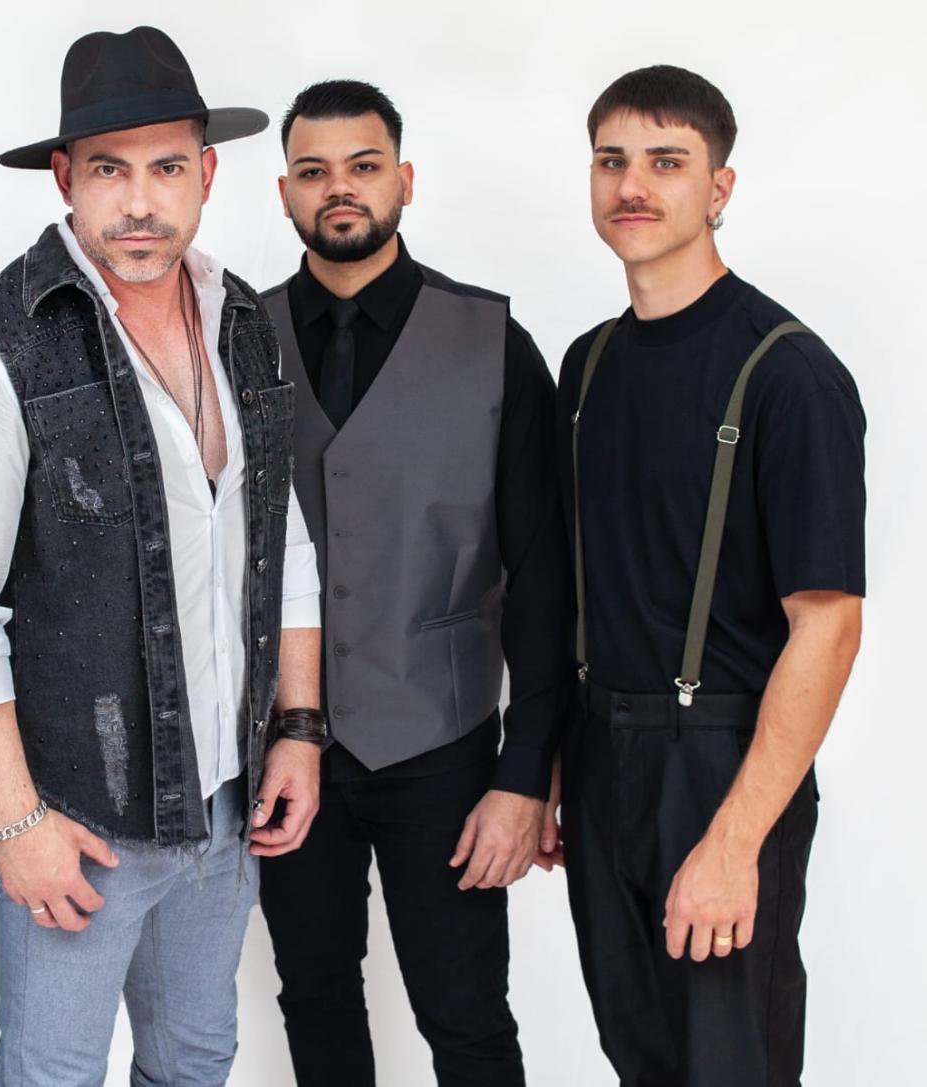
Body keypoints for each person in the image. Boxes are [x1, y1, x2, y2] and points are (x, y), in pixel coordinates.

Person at [0, 26, 324, 1086]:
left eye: (166, 168)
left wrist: (298, 728)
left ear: (207, 174)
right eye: (108, 170)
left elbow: (281, 535)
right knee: (54, 1074)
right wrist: (16, 821)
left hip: (226, 802)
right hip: (79, 819)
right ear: (65, 178)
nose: (140, 202)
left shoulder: (241, 319)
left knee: (197, 1059)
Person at [257, 80, 573, 1086]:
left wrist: (524, 772)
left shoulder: (494, 343)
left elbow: (542, 576)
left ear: (403, 179)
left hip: (443, 746)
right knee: (313, 995)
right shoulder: (235, 338)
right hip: (284, 743)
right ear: (284, 192)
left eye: (362, 166)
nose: (338, 188)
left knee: (466, 1015)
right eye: (313, 171)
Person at [557, 65, 866, 1086]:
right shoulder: (587, 364)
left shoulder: (789, 374)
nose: (632, 185)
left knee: (731, 1065)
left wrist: (735, 840)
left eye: (665, 161)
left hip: (723, 764)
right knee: (639, 1058)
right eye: (611, 161)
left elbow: (828, 625)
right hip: (602, 761)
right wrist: (559, 765)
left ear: (718, 187)